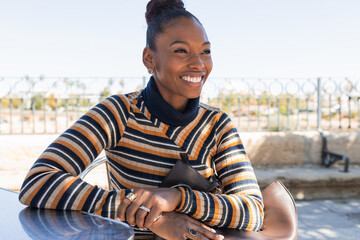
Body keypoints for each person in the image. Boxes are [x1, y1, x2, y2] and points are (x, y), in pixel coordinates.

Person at [19, 0, 264, 239]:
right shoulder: (119, 113)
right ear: (149, 58)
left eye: (205, 51)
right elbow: (38, 180)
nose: (198, 63)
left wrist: (176, 197)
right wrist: (152, 216)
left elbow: (253, 211)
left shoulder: (217, 125)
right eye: (181, 50)